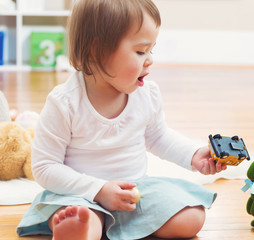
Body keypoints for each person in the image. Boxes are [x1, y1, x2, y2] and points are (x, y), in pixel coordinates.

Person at [17, 0, 227, 239]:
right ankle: (83, 226)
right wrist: (98, 190)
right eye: (140, 51)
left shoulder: (146, 94)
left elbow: (158, 137)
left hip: (134, 192)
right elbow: (45, 167)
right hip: (80, 194)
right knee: (81, 218)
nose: (149, 60)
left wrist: (192, 155)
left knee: (192, 217)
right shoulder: (64, 102)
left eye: (151, 50)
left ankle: (94, 226)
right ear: (98, 51)